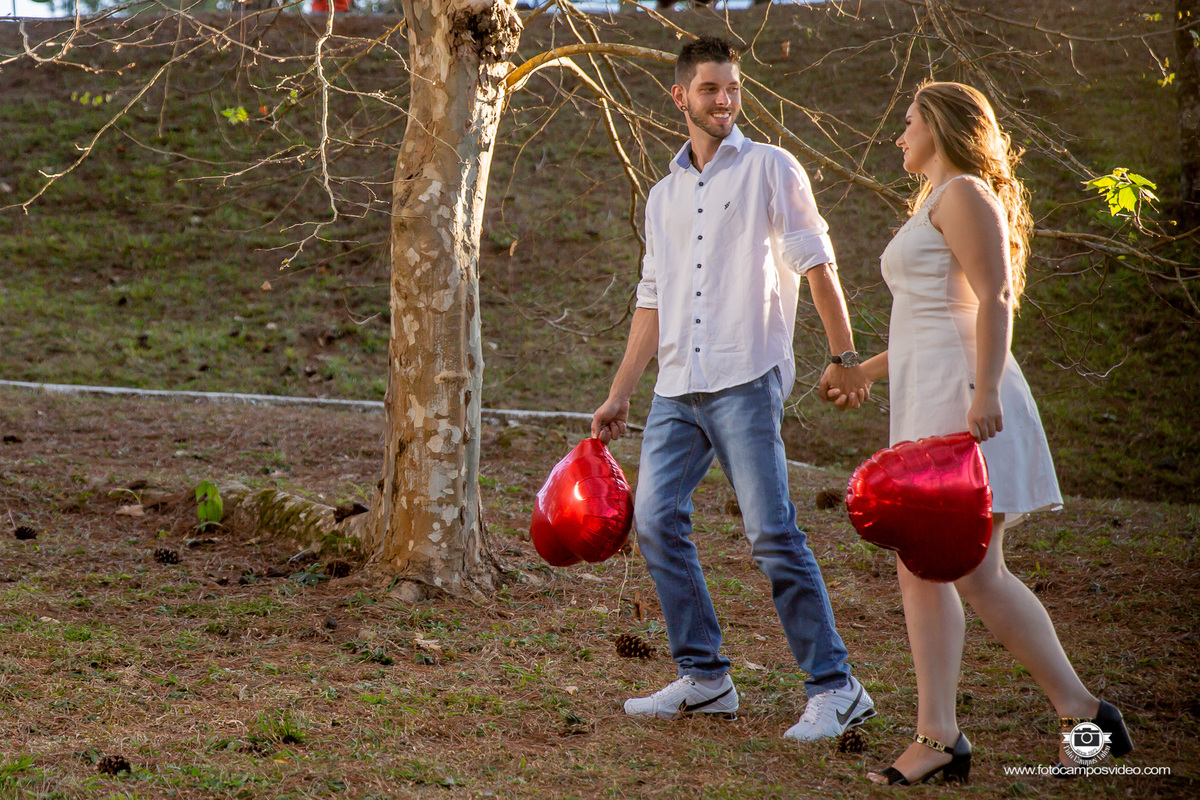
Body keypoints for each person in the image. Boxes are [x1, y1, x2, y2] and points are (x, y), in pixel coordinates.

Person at [824, 81, 1133, 785]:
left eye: (908, 122)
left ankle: (1080, 713)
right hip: (929, 397)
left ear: (938, 126)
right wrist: (864, 371)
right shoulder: (934, 200)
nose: (899, 134)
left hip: (966, 398)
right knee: (927, 563)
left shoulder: (964, 193)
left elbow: (994, 295)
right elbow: (932, 315)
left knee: (972, 569)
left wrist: (987, 389)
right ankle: (946, 734)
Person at [591, 36, 876, 742]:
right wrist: (621, 392)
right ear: (680, 97)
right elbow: (652, 299)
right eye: (710, 89)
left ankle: (836, 687)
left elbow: (817, 263)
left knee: (771, 533)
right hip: (676, 388)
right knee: (655, 521)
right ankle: (706, 679)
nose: (724, 100)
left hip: (745, 378)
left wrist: (845, 355)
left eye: (732, 88)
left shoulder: (771, 168)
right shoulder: (663, 195)